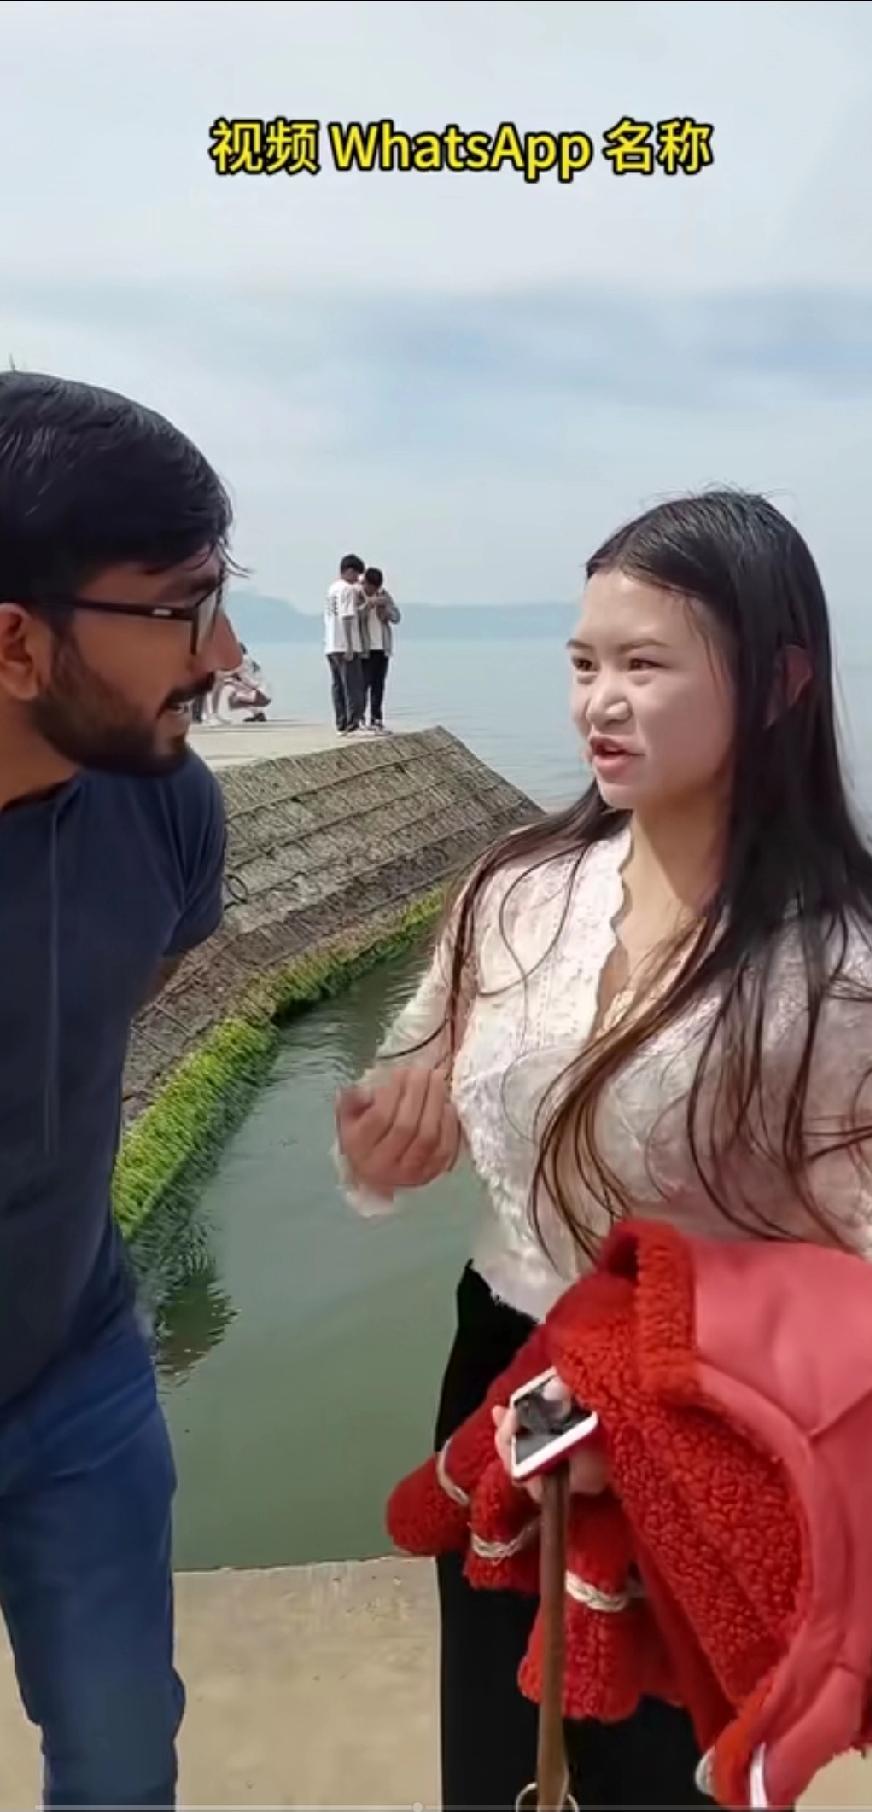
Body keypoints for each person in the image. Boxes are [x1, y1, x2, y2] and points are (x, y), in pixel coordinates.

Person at [335, 490, 872, 1811]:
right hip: (502, 1376)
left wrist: (660, 1427)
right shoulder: (515, 892)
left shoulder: (856, 980)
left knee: (658, 1763)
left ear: (780, 684)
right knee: (497, 1754)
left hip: (705, 1428)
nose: (597, 703)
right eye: (581, 663)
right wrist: (391, 1141)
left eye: (643, 665)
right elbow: (422, 1081)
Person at [0, 369, 241, 1808]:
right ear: (16, 642)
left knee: (119, 1753)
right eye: (179, 611)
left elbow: (126, 994)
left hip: (75, 1364)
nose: (226, 655)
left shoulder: (168, 805)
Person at [325, 553, 366, 735]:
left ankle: (341, 723)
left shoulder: (332, 589)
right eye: (356, 574)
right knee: (353, 686)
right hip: (345, 644)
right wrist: (350, 645)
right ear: (349, 571)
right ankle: (353, 723)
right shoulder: (347, 589)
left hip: (331, 644)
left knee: (338, 686)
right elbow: (347, 617)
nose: (357, 579)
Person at [358, 565, 400, 733]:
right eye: (371, 586)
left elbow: (396, 617)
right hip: (365, 649)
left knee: (379, 685)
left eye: (376, 587)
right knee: (363, 684)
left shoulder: (384, 595)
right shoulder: (358, 595)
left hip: (382, 648)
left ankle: (377, 718)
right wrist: (368, 605)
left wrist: (385, 608)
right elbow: (355, 617)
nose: (373, 590)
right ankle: (359, 717)